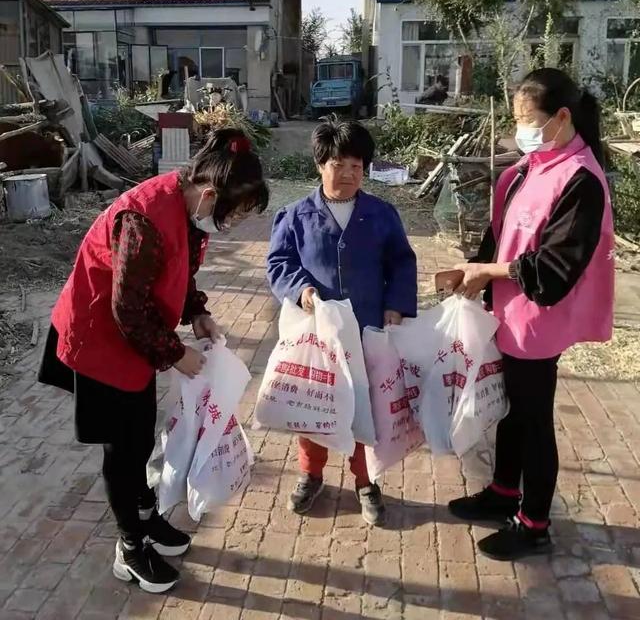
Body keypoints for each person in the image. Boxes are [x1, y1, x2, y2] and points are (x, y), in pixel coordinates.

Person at [38, 128, 268, 593]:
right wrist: (174, 352)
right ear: (208, 194)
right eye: (234, 215)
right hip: (101, 339)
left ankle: (147, 522)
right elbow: (127, 308)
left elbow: (179, 270)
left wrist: (196, 311)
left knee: (139, 437)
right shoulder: (142, 220)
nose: (232, 225)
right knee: (122, 451)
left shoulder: (187, 211)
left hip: (135, 341)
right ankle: (129, 547)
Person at [447, 68, 614, 561]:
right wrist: (473, 273)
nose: (522, 130)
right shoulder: (528, 167)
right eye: (517, 120)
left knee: (534, 417)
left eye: (530, 120)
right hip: (507, 312)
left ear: (562, 117)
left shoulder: (581, 178)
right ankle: (503, 492)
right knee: (509, 409)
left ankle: (535, 521)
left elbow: (556, 266)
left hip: (539, 320)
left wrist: (491, 271)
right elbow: (501, 234)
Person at [266, 116, 417, 526]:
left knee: (365, 407)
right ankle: (310, 475)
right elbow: (279, 263)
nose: (349, 173)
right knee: (312, 404)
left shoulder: (382, 214)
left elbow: (402, 262)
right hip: (317, 334)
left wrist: (396, 305)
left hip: (367, 328)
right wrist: (302, 291)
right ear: (320, 165)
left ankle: (366, 481)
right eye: (339, 164)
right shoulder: (295, 216)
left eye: (356, 165)